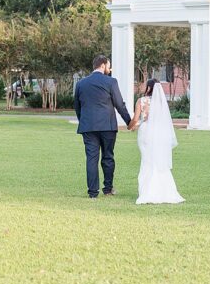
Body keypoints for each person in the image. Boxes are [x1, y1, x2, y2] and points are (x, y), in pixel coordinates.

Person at [73, 55, 132, 199]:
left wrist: (84, 121)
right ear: (103, 65)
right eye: (109, 65)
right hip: (107, 126)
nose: (110, 68)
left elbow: (77, 106)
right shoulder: (111, 82)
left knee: (91, 159)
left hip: (88, 127)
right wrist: (129, 122)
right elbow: (119, 104)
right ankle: (108, 189)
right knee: (108, 157)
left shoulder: (81, 84)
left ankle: (93, 193)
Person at [128, 79, 184, 205]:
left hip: (145, 132)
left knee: (146, 160)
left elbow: (136, 119)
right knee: (157, 159)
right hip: (159, 133)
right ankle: (163, 191)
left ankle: (147, 191)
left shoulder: (141, 101)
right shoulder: (161, 103)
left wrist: (130, 126)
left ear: (148, 88)